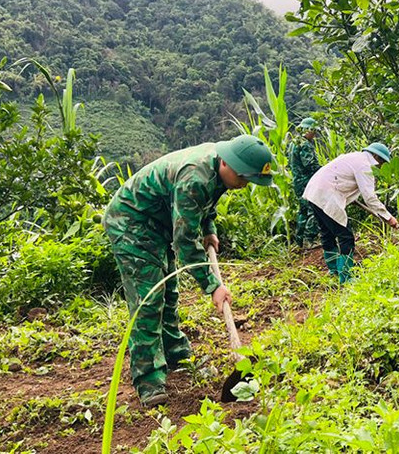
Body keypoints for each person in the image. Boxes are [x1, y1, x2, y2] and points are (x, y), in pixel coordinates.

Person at [102, 135, 274, 407]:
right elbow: (184, 242)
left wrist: (209, 229)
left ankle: (176, 355)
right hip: (132, 222)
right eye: (243, 178)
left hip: (159, 223)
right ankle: (148, 378)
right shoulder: (195, 177)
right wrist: (213, 285)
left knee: (168, 294)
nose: (244, 185)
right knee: (149, 299)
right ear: (228, 164)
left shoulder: (219, 168)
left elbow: (206, 205)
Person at [303, 142, 398, 283]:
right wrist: (388, 217)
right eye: (382, 162)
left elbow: (341, 176)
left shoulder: (355, 157)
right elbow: (370, 197)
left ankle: (334, 269)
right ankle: (346, 277)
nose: (381, 166)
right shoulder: (365, 165)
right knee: (346, 236)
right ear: (376, 157)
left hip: (314, 191)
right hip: (326, 195)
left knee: (327, 233)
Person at [287, 117, 321, 248]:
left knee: (303, 210)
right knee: (314, 208)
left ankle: (299, 241)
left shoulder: (293, 143)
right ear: (307, 130)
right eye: (313, 131)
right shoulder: (305, 144)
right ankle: (309, 240)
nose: (314, 134)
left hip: (298, 182)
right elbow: (310, 165)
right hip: (307, 181)